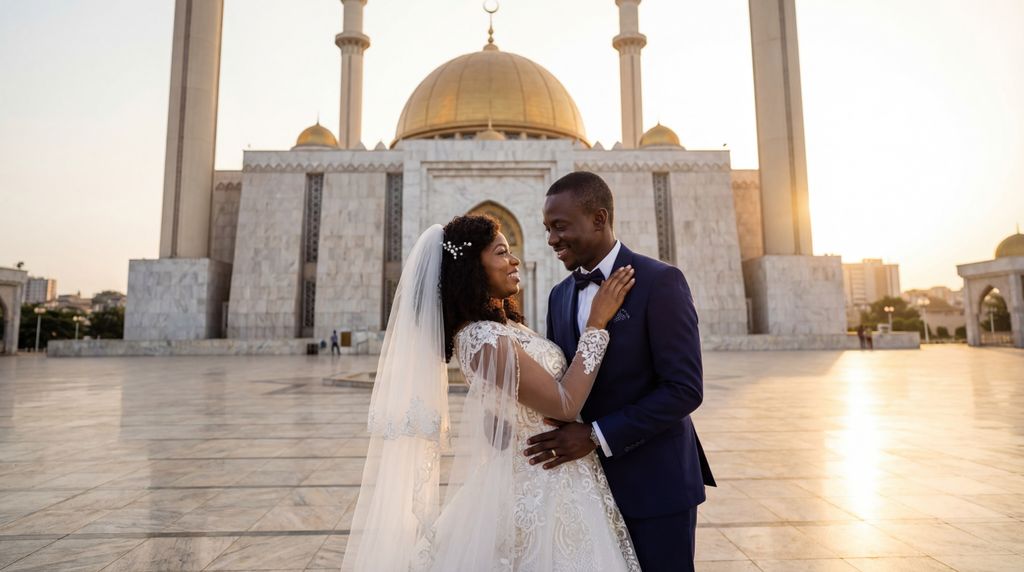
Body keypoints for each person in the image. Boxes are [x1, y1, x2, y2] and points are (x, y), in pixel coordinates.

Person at [342, 215, 640, 571]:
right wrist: (596, 324)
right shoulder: (482, 338)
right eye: (501, 253)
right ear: (472, 268)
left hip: (557, 472)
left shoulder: (503, 328)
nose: (514, 261)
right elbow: (565, 405)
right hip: (542, 479)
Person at [527, 171, 715, 572]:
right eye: (547, 229)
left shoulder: (659, 282)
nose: (552, 240)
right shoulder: (560, 296)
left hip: (656, 486)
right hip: (586, 490)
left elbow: (683, 389)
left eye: (560, 226)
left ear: (599, 219)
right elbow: (564, 382)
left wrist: (596, 435)